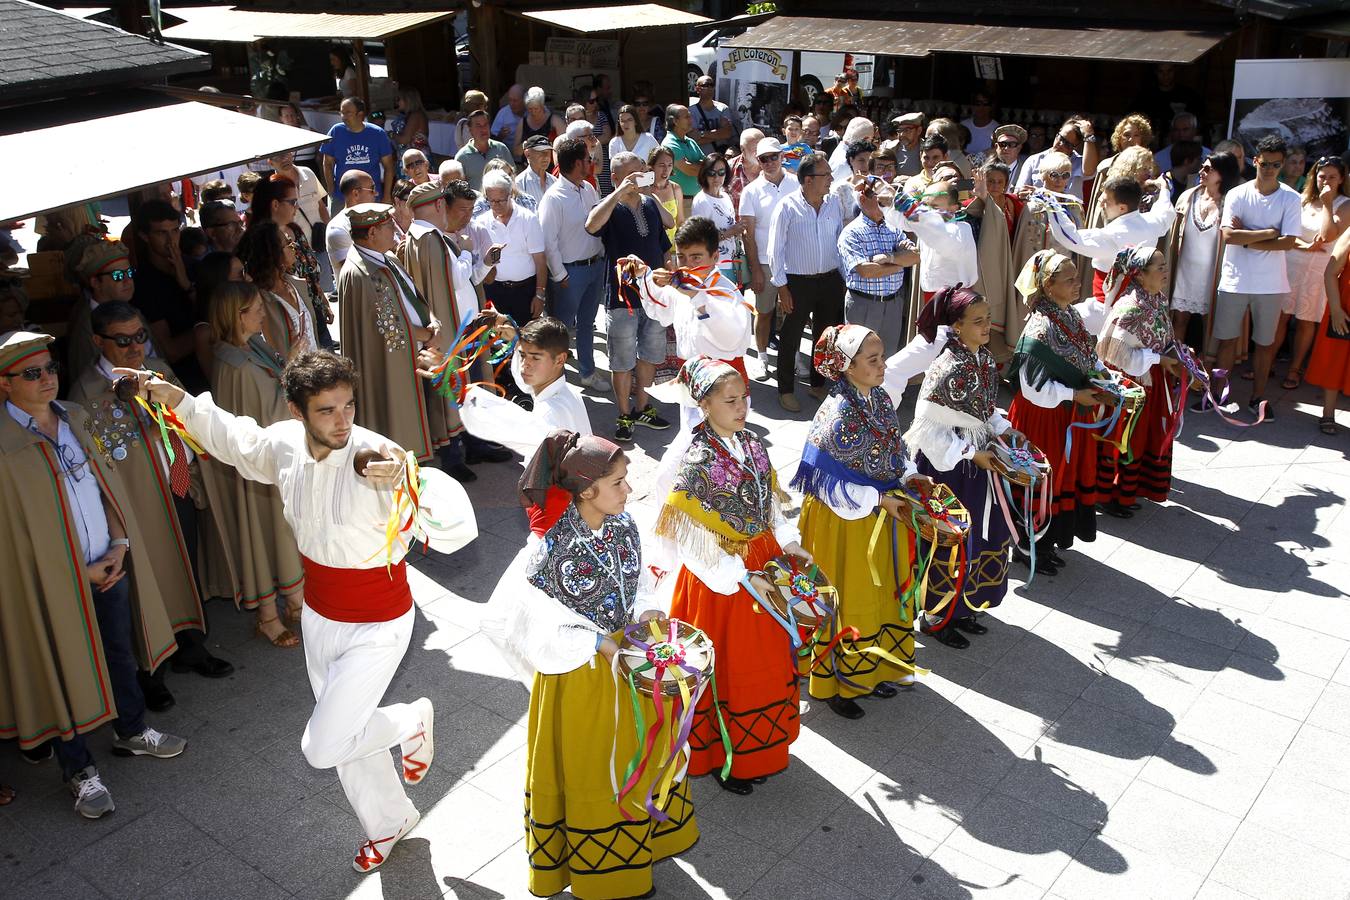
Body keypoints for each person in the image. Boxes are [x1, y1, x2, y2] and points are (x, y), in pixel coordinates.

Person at [121, 349, 477, 873]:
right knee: (346, 733)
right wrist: (171, 394)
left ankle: (410, 720)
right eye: (326, 410)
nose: (342, 421)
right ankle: (388, 822)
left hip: (381, 620)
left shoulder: (379, 454)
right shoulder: (284, 445)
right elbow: (231, 438)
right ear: (296, 411)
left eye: (348, 406)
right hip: (320, 614)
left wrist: (411, 480)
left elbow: (455, 530)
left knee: (323, 744)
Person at [489, 431, 698, 898]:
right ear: (587, 490)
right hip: (581, 674)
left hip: (625, 659)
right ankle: (607, 875)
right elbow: (542, 624)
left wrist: (647, 610)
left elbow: (638, 581)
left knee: (637, 753)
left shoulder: (624, 525)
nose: (628, 491)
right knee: (596, 768)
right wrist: (598, 643)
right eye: (620, 482)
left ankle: (645, 840)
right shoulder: (548, 550)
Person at [0, 331, 188, 819]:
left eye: (49, 367)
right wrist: (74, 571)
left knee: (119, 651)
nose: (46, 378)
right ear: (4, 384)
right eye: (31, 373)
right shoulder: (4, 448)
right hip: (56, 582)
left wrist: (119, 545)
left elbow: (105, 484)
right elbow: (17, 538)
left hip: (108, 560)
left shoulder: (75, 417)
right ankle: (79, 769)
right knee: (61, 667)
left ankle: (130, 731)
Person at [657, 357, 807, 794]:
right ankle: (725, 753)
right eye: (730, 400)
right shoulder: (697, 461)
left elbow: (770, 503)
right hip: (720, 579)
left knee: (764, 663)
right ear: (703, 405)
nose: (742, 407)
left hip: (760, 560)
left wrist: (789, 540)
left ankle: (758, 749)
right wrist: (741, 575)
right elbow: (692, 542)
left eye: (744, 397)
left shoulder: (753, 445)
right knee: (732, 668)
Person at [68, 301, 237, 686]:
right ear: (98, 341)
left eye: (140, 336)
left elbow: (184, 420)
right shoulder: (84, 395)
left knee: (185, 568)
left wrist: (191, 466)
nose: (134, 347)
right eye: (122, 340)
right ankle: (151, 672)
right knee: (145, 583)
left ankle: (192, 647)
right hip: (136, 506)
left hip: (175, 486)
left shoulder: (158, 371)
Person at [790, 324, 924, 715]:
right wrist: (879, 499)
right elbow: (830, 486)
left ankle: (873, 668)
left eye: (881, 357)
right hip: (843, 522)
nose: (883, 365)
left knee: (877, 594)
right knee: (845, 596)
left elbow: (892, 450)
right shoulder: (837, 414)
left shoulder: (878, 399)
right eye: (873, 359)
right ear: (847, 367)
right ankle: (833, 682)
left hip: (878, 513)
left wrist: (910, 475)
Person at [905, 289, 1017, 648]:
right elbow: (928, 431)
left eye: (988, 318)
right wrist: (971, 454)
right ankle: (937, 616)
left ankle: (965, 606)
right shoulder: (946, 367)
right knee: (950, 540)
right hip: (950, 468)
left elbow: (984, 411)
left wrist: (1006, 429)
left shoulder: (982, 358)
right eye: (978, 321)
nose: (987, 326)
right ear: (956, 326)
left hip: (977, 463)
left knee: (981, 537)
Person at [205, 280, 306, 642]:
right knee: (262, 533)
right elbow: (263, 414)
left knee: (282, 528)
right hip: (255, 467)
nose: (263, 312)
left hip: (273, 460)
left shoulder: (253, 346)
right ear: (237, 315)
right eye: (256, 308)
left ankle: (295, 601)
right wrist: (294, 368)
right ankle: (267, 615)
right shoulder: (234, 364)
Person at [1008, 251, 1114, 574]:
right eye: (1069, 279)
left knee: (1059, 480)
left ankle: (1047, 541)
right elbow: (1031, 388)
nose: (1077, 282)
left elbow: (1086, 351)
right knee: (1039, 481)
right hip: (1042, 420)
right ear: (1049, 286)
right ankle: (1028, 548)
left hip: (1066, 415)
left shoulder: (1069, 316)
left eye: (1075, 277)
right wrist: (1074, 394)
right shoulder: (1039, 329)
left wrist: (1102, 375)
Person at [459, 316, 592, 534]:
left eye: (535, 357)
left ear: (560, 360)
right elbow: (527, 382)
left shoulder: (550, 411)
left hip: (561, 516)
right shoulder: (565, 391)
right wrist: (516, 341)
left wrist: (462, 393)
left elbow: (512, 424)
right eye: (522, 355)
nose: (525, 364)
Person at [338, 203, 443, 462]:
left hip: (418, 350)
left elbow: (413, 296)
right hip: (396, 360)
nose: (394, 230)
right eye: (388, 226)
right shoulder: (362, 273)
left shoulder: (387, 258)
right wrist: (427, 336)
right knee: (403, 422)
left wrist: (431, 319)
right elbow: (389, 329)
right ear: (372, 232)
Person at [631, 217, 753, 430]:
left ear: (715, 256)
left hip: (724, 390)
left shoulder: (726, 291)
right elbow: (661, 309)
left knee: (712, 453)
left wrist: (697, 298)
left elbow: (731, 337)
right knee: (690, 444)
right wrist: (644, 276)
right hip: (691, 385)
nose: (687, 265)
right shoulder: (682, 287)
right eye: (681, 257)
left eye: (696, 257)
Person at [1212, 135, 1304, 418]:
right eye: (1265, 163)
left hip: (1270, 284)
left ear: (1282, 165)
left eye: (1276, 165)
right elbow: (1228, 236)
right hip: (1235, 280)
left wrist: (1247, 237)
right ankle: (1218, 396)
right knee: (1226, 342)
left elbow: (1288, 242)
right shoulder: (1238, 194)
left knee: (1264, 346)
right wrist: (1267, 233)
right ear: (1256, 161)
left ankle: (1259, 399)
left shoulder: (1291, 197)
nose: (1270, 169)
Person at [586, 153, 674, 441]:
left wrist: (652, 194)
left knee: (650, 354)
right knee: (621, 360)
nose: (640, 177)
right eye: (632, 174)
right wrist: (619, 193)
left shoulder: (650, 203)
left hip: (652, 295)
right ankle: (624, 414)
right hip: (622, 298)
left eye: (642, 171)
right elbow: (591, 225)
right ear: (616, 178)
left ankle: (643, 406)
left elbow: (670, 224)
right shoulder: (610, 207)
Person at [1095, 246, 1185, 516]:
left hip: (1153, 382)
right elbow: (1113, 351)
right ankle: (1110, 495)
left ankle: (1131, 491)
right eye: (1159, 268)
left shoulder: (1156, 299)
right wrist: (1159, 361)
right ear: (1140, 275)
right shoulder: (1131, 306)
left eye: (1164, 266)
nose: (1165, 272)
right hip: (1131, 387)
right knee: (1127, 438)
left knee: (1144, 437)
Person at [769, 151, 845, 411]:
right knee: (790, 337)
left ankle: (817, 384)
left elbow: (839, 241)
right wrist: (782, 287)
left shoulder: (834, 202)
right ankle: (786, 390)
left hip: (830, 280)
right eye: (826, 174)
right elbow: (775, 249)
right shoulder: (787, 206)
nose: (831, 179)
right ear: (809, 180)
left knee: (825, 336)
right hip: (797, 283)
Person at [1271, 156, 1350, 390]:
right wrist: (1303, 246)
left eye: (1332, 177)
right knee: (1281, 316)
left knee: (1306, 321)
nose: (1325, 181)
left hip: (1320, 268)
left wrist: (1327, 203)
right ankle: (1267, 362)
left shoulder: (1345, 204)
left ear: (1342, 179)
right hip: (1291, 263)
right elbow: (1284, 231)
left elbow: (1327, 235)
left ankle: (1295, 369)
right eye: (1321, 176)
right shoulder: (1302, 200)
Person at [540, 138, 609, 393]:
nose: (591, 163)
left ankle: (587, 372)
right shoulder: (553, 198)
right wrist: (560, 275)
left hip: (593, 268)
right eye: (588, 159)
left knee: (587, 324)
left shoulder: (588, 189)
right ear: (578, 162)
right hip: (571, 273)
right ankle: (553, 380)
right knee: (561, 331)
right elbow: (549, 241)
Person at [1046, 173, 1176, 307]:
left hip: (1107, 307)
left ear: (1122, 208)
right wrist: (1165, 188)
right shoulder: (1152, 222)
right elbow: (1166, 212)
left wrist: (1049, 203)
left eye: (1106, 201)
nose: (1102, 204)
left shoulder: (1112, 235)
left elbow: (1072, 239)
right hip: (1142, 305)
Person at [1166, 151, 1244, 354]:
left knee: (1211, 325)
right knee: (1179, 320)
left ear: (1223, 174)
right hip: (1184, 270)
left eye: (1208, 169)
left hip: (1213, 274)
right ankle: (1178, 369)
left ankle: (1205, 376)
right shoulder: (1188, 197)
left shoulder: (1231, 203)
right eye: (1203, 166)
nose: (1202, 171)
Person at [131, 200, 207, 394]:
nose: (171, 240)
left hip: (214, 369)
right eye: (161, 233)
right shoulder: (143, 284)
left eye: (175, 231)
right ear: (144, 236)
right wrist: (212, 329)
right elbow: (171, 351)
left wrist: (188, 286)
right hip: (184, 382)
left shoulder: (197, 267)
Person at [252, 176, 336, 351]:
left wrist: (322, 301)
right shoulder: (258, 240)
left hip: (310, 305)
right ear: (275, 204)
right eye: (292, 201)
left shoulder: (295, 230)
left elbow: (310, 272)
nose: (297, 207)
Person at [738, 137, 797, 379]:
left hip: (794, 261)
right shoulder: (750, 191)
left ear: (782, 157)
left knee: (794, 314)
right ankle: (761, 358)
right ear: (759, 162)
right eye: (764, 159)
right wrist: (756, 271)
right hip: (764, 261)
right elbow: (747, 235)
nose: (770, 162)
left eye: (774, 156)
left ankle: (790, 358)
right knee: (764, 313)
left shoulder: (797, 183)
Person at [839, 176, 918, 352]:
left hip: (893, 306)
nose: (886, 201)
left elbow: (914, 257)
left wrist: (888, 258)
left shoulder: (893, 227)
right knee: (859, 361)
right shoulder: (851, 233)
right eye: (880, 196)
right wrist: (899, 265)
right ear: (862, 199)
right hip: (864, 305)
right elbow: (865, 271)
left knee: (888, 362)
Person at [474, 171, 548, 329]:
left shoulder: (528, 219)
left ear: (510, 194)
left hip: (525, 291)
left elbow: (540, 260)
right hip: (494, 291)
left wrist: (540, 295)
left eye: (500, 200)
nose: (495, 205)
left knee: (524, 339)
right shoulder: (481, 223)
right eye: (491, 201)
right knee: (497, 342)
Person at [239, 220, 318, 361]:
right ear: (272, 254)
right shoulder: (258, 300)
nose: (293, 246)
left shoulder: (297, 285)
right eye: (287, 243)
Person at [894, 175, 978, 303]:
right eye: (925, 205)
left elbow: (939, 236)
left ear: (953, 208)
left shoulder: (961, 230)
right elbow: (903, 222)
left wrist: (904, 204)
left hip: (955, 299)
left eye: (934, 207)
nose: (928, 211)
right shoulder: (929, 226)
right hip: (930, 295)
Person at [66, 239, 136, 379]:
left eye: (129, 273)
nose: (127, 281)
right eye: (118, 275)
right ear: (96, 283)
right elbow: (90, 383)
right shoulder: (87, 329)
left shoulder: (132, 311)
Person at [1307, 228, 1350, 434]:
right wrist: (1336, 309)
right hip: (1343, 309)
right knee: (1335, 361)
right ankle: (1328, 414)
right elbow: (1331, 273)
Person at [320, 97, 395, 205]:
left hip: (371, 196)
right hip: (342, 197)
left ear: (360, 114)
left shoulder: (378, 133)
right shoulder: (335, 131)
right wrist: (331, 190)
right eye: (342, 113)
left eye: (348, 113)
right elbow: (327, 163)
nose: (343, 117)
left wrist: (387, 195)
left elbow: (389, 166)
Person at [690, 153, 743, 281]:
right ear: (704, 174)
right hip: (713, 266)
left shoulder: (725, 196)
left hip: (732, 262)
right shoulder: (701, 201)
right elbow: (701, 239)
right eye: (711, 173)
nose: (717, 177)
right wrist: (731, 232)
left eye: (721, 172)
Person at [661, 104, 706, 215]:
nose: (691, 120)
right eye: (687, 117)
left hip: (697, 200)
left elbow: (708, 164)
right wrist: (701, 166)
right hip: (682, 203)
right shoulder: (669, 144)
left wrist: (699, 165)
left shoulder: (690, 141)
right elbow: (689, 170)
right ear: (675, 121)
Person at [454, 109, 514, 192]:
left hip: (501, 202)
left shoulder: (501, 148)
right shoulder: (462, 157)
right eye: (478, 125)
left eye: (485, 125)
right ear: (470, 130)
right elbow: (458, 189)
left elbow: (513, 177)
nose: (483, 129)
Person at [513, 86, 565, 161]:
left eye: (536, 108)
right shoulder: (523, 123)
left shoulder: (555, 121)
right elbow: (516, 151)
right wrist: (527, 144)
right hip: (529, 165)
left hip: (550, 165)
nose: (533, 112)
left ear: (542, 106)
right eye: (530, 109)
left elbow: (565, 145)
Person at [690, 74, 735, 155]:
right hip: (701, 159)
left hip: (720, 157)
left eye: (712, 85)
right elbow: (693, 139)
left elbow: (727, 133)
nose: (710, 88)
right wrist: (719, 135)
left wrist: (701, 134)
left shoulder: (723, 108)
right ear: (697, 89)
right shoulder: (691, 111)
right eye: (706, 85)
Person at [647, 145, 682, 246]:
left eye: (670, 165)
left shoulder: (676, 188)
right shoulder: (645, 190)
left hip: (673, 246)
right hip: (653, 246)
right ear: (651, 166)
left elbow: (680, 221)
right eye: (661, 165)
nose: (666, 169)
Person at [609, 103, 660, 169]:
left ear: (635, 121)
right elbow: (613, 169)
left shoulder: (648, 138)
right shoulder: (614, 142)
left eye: (629, 120)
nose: (626, 124)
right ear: (619, 123)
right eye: (622, 121)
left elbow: (659, 160)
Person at [516, 134, 557, 206]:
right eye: (541, 152)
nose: (546, 157)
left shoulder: (555, 181)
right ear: (527, 154)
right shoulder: (519, 183)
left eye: (548, 152)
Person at [389, 88, 430, 158]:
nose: (396, 102)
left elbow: (405, 140)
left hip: (417, 160)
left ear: (407, 100)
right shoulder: (412, 115)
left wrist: (390, 134)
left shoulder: (416, 115)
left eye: (398, 99)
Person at [960, 91, 1000, 156]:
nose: (981, 107)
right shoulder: (962, 126)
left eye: (986, 104)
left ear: (991, 106)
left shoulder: (997, 130)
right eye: (977, 103)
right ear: (972, 105)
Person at [890, 112, 925, 178]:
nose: (902, 134)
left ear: (919, 131)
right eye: (899, 130)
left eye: (907, 130)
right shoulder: (891, 149)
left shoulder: (927, 150)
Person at [491, 83, 526, 148]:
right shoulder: (503, 113)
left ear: (524, 100)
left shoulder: (532, 110)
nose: (511, 104)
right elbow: (492, 140)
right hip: (508, 153)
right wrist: (500, 135)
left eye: (515, 101)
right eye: (510, 100)